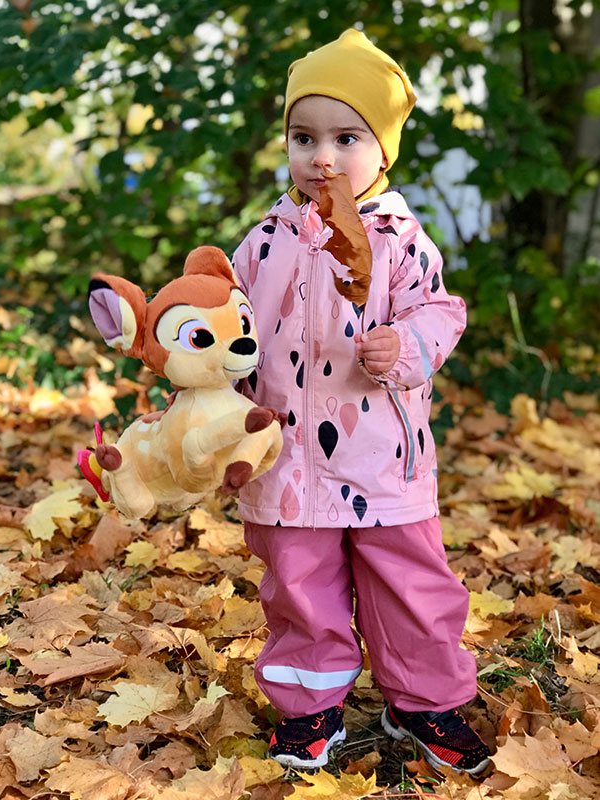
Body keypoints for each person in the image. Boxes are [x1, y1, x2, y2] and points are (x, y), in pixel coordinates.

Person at [231, 28, 491, 775]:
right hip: (288, 460)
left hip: (383, 456)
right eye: (303, 136)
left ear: (383, 150)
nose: (323, 157)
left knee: (410, 585)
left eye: (347, 137)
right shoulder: (265, 240)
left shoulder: (399, 237)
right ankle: (309, 707)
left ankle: (425, 701)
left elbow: (440, 310)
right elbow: (236, 324)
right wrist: (218, 382)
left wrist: (405, 346)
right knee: (300, 589)